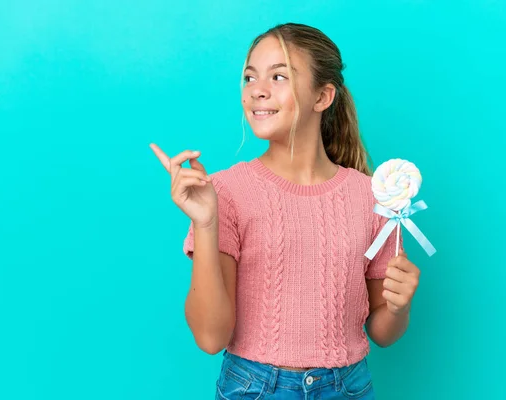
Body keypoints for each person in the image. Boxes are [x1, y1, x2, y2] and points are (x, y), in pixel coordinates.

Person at [151, 22, 421, 400]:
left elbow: (383, 333)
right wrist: (206, 223)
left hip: (349, 388)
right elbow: (211, 338)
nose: (257, 90)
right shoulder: (225, 192)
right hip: (253, 388)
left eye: (278, 76)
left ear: (323, 96)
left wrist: (400, 306)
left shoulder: (372, 197)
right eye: (249, 77)